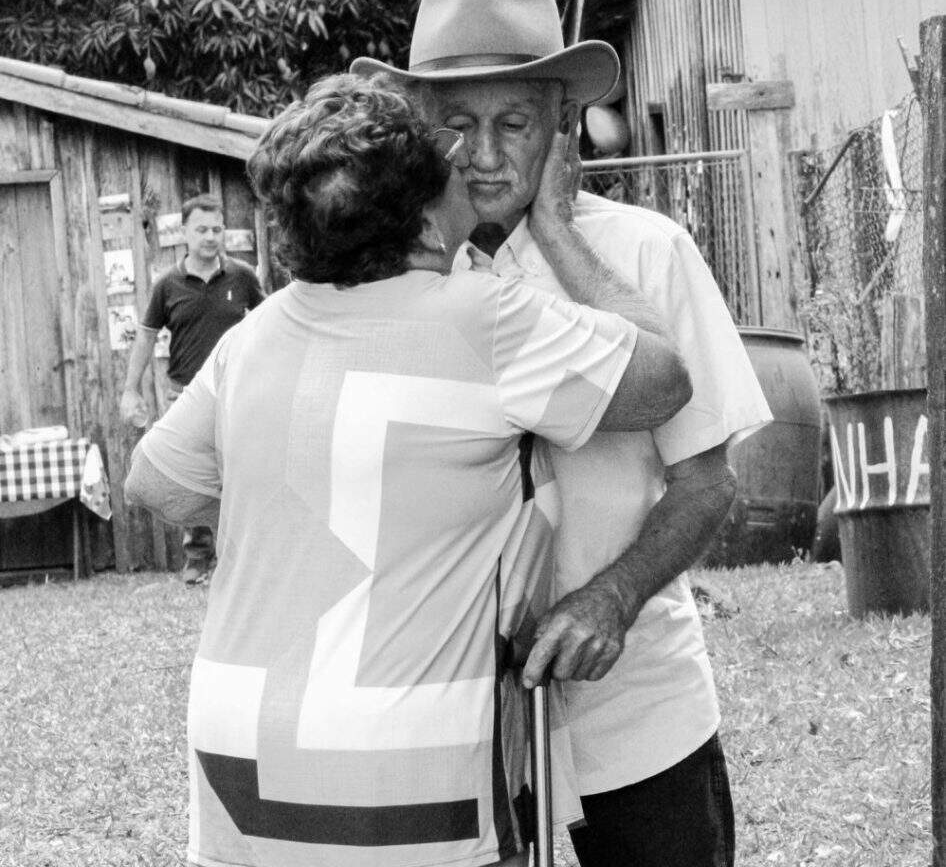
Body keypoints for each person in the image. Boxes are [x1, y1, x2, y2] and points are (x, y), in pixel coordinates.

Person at [124, 73, 691, 867]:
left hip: (235, 759)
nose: (469, 161)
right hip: (404, 763)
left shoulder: (254, 337)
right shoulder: (484, 320)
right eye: (448, 153)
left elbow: (155, 483)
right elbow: (665, 376)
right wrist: (558, 225)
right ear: (424, 220)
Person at [352, 0, 773, 867]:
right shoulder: (393, 283)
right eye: (456, 126)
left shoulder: (645, 252)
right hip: (457, 730)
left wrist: (611, 598)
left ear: (562, 128)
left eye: (513, 123)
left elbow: (709, 481)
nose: (483, 155)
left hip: (638, 714)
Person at [120, 193, 265, 584]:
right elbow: (146, 337)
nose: (210, 236)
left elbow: (269, 325)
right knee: (195, 477)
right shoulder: (167, 284)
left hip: (239, 394)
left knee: (242, 473)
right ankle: (198, 560)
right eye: (201, 229)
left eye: (217, 229)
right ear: (184, 232)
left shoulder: (243, 277)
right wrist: (130, 390)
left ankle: (243, 559)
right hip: (184, 393)